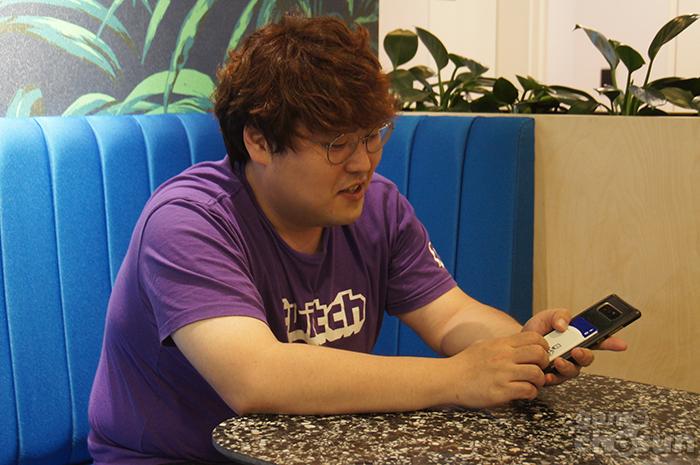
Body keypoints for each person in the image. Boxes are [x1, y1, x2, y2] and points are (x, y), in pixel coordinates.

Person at [87, 14, 627, 465]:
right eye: (336, 143)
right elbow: (255, 378)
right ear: (259, 141)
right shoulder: (189, 222)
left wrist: (520, 350)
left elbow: (450, 316)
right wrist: (459, 377)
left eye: (372, 136)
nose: (363, 163)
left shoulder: (376, 207)